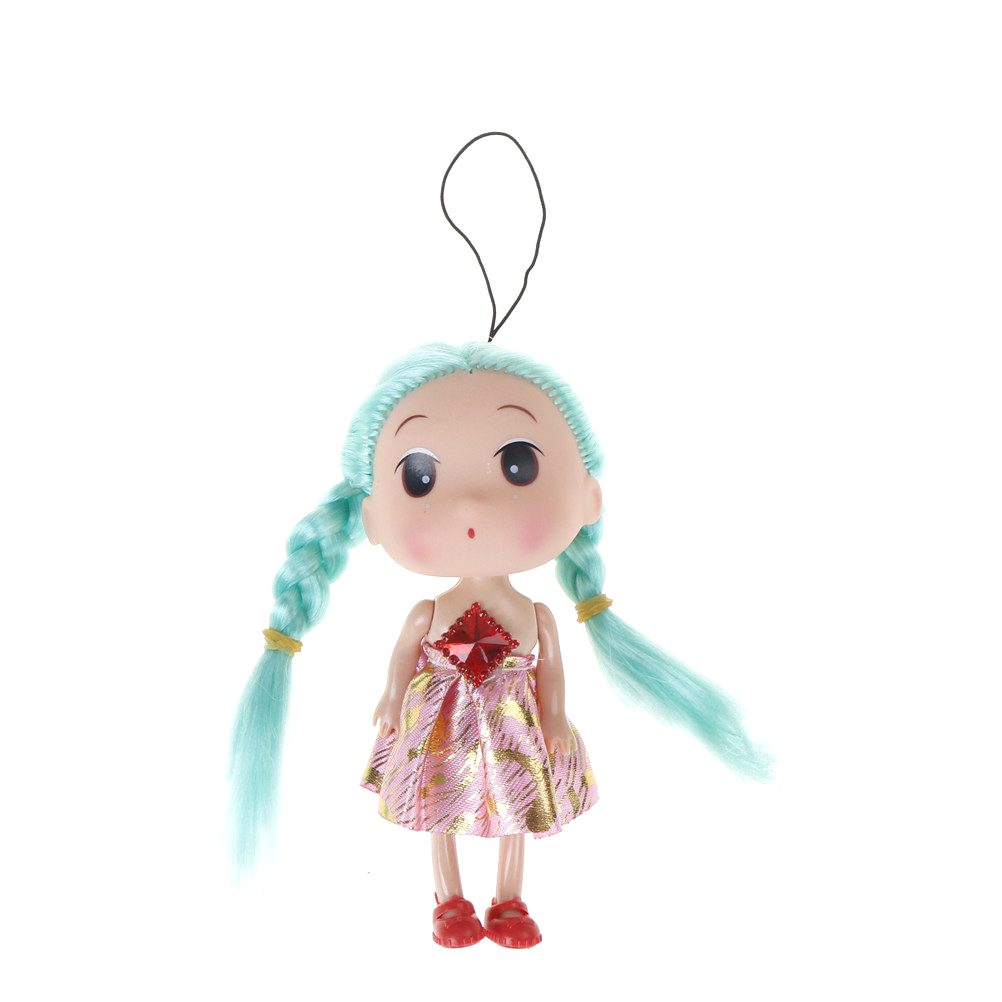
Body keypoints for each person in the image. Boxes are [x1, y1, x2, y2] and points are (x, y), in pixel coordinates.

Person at [228, 340, 771, 949]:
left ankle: (509, 900)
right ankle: (448, 899)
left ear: (589, 499)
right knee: (437, 801)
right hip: (438, 721)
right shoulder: (429, 612)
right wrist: (390, 698)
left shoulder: (537, 615)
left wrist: (555, 716)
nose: (469, 503)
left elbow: (552, 674)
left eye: (518, 465)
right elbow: (403, 657)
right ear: (372, 519)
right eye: (420, 478)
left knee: (522, 802)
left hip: (516, 720)